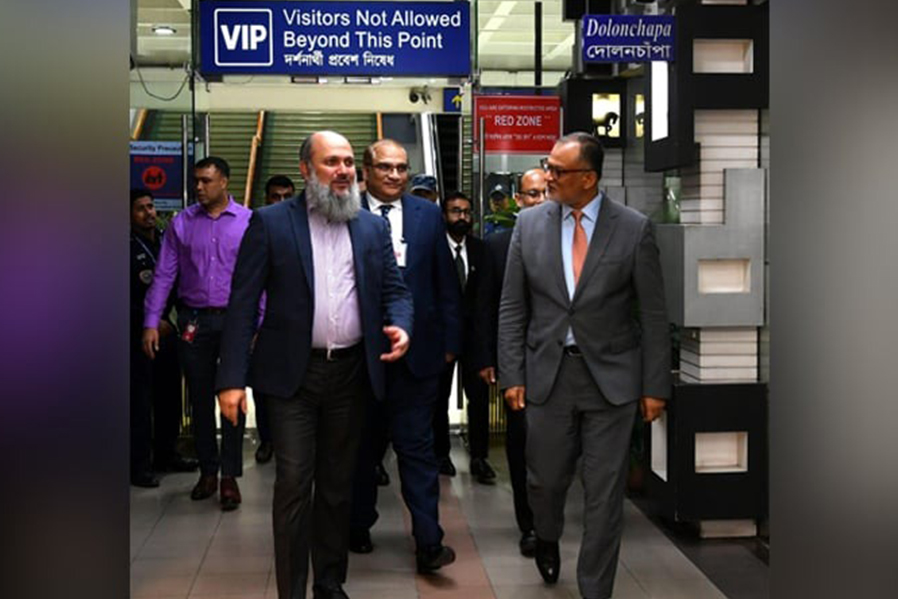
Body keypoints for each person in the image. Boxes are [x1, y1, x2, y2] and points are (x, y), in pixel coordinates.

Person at [216, 131, 413, 599]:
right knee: (292, 485)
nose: (344, 170)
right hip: (291, 379)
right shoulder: (269, 223)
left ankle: (329, 583)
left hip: (350, 375)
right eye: (332, 162)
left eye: (348, 162)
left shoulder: (370, 227)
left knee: (337, 486)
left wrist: (401, 325)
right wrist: (230, 381)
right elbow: (243, 304)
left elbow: (394, 291)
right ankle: (291, 590)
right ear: (307, 170)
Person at [498, 133, 670, 599]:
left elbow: (652, 314)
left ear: (588, 178)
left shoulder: (633, 228)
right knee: (546, 481)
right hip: (548, 377)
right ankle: (547, 534)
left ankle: (596, 589)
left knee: (604, 492)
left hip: (611, 381)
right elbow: (513, 306)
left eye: (557, 170)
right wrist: (511, 373)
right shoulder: (528, 225)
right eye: (547, 167)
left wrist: (655, 385)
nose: (547, 176)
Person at [350, 139, 462, 574]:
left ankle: (429, 541)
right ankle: (357, 525)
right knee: (361, 451)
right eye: (386, 167)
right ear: (367, 169)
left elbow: (445, 285)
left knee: (419, 452)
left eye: (402, 168)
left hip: (418, 361)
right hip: (360, 360)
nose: (395, 175)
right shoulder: (346, 211)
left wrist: (450, 343)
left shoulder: (428, 216)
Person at [142, 156, 254, 511]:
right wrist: (151, 320)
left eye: (207, 180)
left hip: (235, 321)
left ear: (225, 182)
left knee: (232, 398)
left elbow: (260, 278)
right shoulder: (182, 224)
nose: (199, 187)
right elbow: (163, 274)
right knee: (201, 398)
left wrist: (259, 321)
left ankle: (229, 476)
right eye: (196, 181)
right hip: (193, 321)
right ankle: (208, 470)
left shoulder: (250, 222)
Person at [470, 167, 547, 555]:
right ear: (519, 201)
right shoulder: (497, 246)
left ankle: (550, 513)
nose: (540, 200)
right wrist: (487, 357)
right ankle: (529, 523)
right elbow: (484, 304)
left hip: (564, 363)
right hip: (517, 361)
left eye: (546, 192)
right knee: (522, 443)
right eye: (532, 194)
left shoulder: (574, 239)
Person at [130, 189, 198, 487]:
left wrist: (172, 320)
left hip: (169, 331)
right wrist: (149, 321)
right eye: (141, 208)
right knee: (140, 402)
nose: (149, 213)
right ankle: (139, 465)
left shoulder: (164, 240)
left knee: (169, 395)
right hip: (138, 335)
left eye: (151, 206)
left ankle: (167, 453)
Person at [433, 191, 497, 484]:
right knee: (438, 398)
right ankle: (441, 454)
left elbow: (488, 301)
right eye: (456, 212)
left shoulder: (482, 250)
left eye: (467, 212)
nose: (462, 217)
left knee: (480, 400)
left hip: (475, 341)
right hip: (443, 339)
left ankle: (479, 457)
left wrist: (487, 351)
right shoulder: (433, 250)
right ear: (444, 215)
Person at [251, 174, 296, 465]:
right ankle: (267, 439)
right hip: (263, 325)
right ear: (266, 198)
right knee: (263, 388)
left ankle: (290, 441)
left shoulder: (305, 228)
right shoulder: (259, 225)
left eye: (286, 196)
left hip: (294, 324)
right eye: (275, 196)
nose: (280, 202)